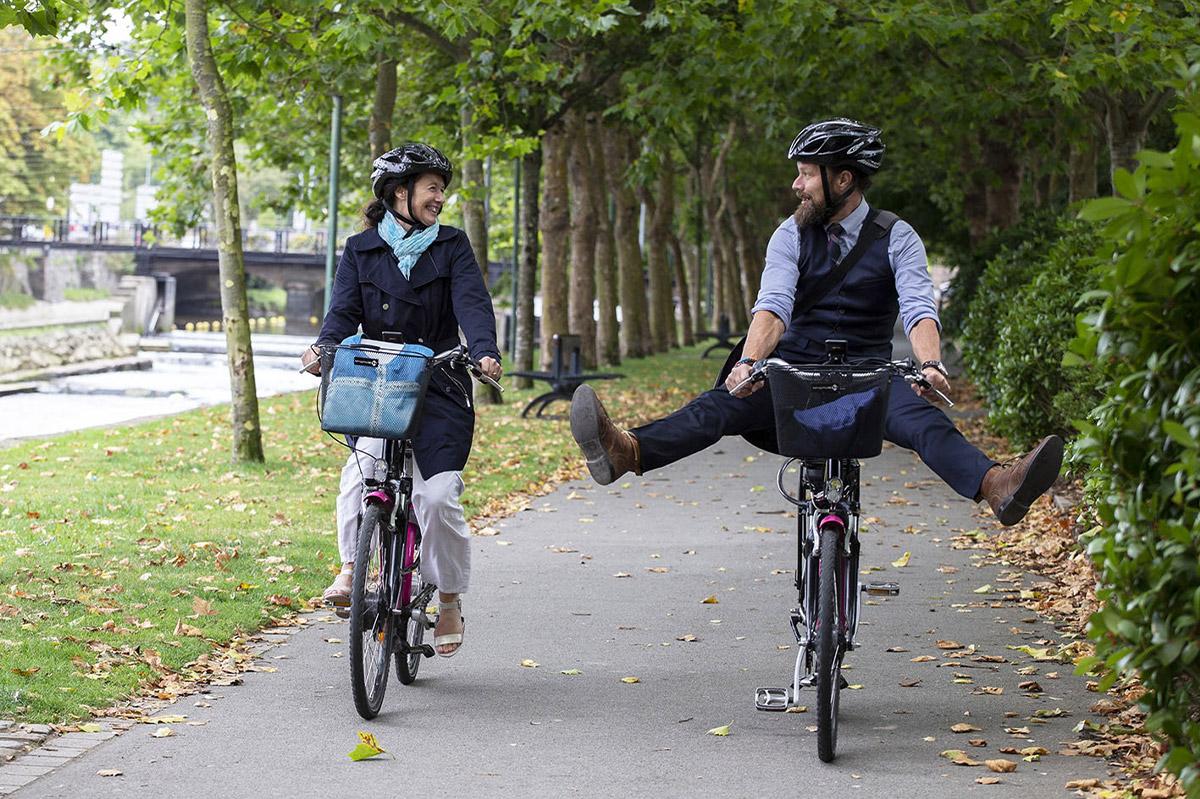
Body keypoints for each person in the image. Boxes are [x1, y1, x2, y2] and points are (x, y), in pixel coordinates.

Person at [569, 118, 1062, 527]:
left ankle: (997, 486)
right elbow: (774, 305)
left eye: (806, 174)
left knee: (925, 423)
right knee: (715, 408)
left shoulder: (898, 236)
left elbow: (918, 306)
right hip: (790, 377)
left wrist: (930, 365)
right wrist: (748, 364)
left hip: (867, 376)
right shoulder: (789, 234)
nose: (796, 185)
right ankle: (627, 451)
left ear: (842, 180)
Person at [301, 142, 502, 657]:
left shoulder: (452, 246)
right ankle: (350, 569)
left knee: (435, 497)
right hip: (377, 383)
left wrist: (482, 352)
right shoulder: (361, 249)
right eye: (432, 187)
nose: (440, 198)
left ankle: (450, 597)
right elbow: (343, 314)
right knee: (360, 475)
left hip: (438, 381)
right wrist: (324, 348)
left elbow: (473, 305)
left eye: (442, 189)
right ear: (399, 192)